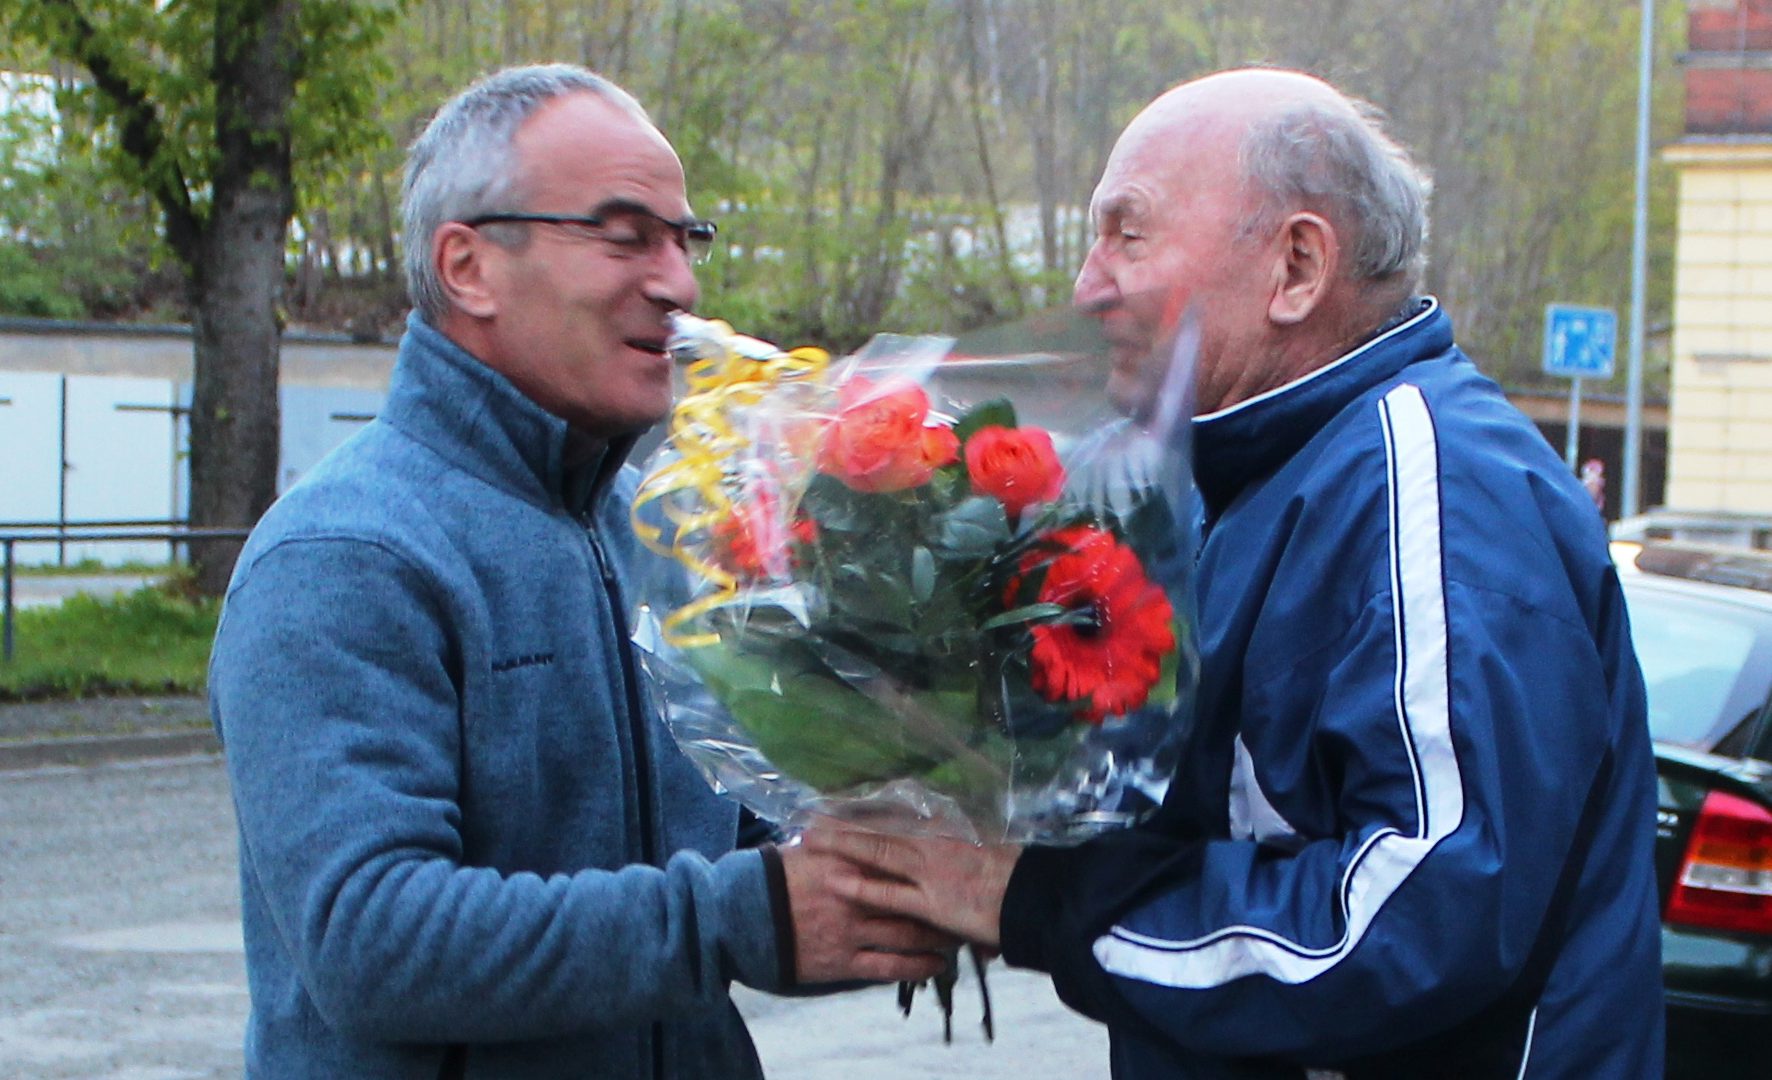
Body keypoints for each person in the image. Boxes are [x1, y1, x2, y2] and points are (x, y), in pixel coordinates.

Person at [810, 68, 1664, 1078]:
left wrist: (1038, 900)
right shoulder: (1237, 477)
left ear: (1296, 266)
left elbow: (1423, 913)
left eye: (1127, 234)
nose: (1087, 286)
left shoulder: (1428, 481)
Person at [209, 64, 951, 1080]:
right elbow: (370, 941)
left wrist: (921, 854)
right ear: (468, 266)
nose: (679, 284)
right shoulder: (344, 557)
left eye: (684, 239)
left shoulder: (659, 531)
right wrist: (750, 916)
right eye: (624, 235)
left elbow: (741, 855)